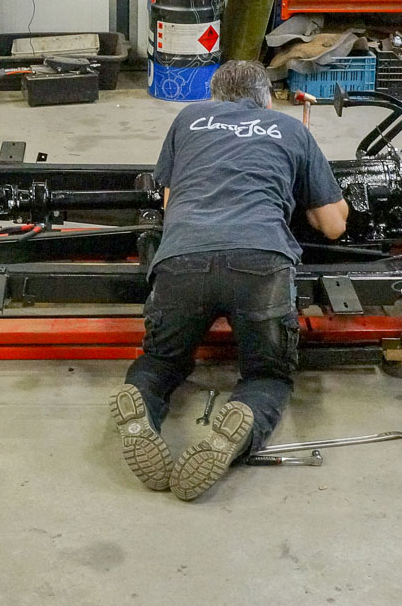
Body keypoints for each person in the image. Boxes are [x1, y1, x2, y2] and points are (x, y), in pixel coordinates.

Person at [109, 60, 350, 498]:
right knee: (267, 375)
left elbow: (169, 204)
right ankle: (238, 430)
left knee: (161, 361)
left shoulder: (188, 119)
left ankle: (141, 407)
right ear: (267, 100)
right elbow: (332, 226)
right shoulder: (290, 129)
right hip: (260, 261)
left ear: (215, 97)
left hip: (182, 257)